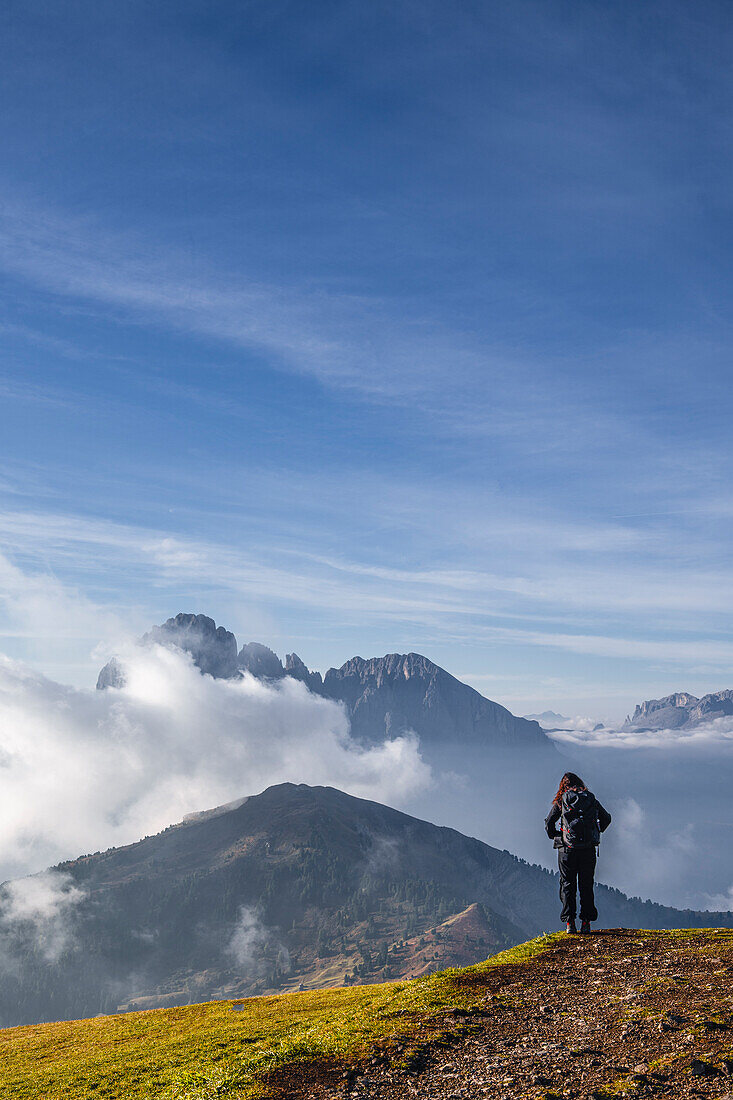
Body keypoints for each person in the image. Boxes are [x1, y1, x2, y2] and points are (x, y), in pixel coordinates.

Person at [545, 772, 611, 934]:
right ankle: (586, 923)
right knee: (586, 885)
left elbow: (549, 823)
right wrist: (596, 832)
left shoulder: (562, 801)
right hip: (588, 849)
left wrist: (558, 835)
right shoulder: (590, 799)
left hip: (567, 849)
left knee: (567, 884)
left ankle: (570, 923)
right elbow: (607, 818)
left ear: (563, 786)